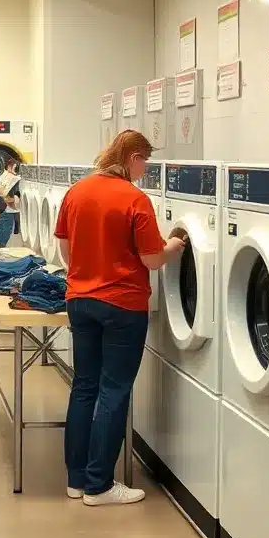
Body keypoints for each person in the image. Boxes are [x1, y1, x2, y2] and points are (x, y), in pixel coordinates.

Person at [53, 129, 185, 506]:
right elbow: (151, 259)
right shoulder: (135, 199)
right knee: (113, 391)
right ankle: (99, 486)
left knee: (84, 387)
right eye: (145, 162)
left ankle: (76, 480)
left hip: (80, 301)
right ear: (132, 159)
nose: (145, 170)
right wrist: (172, 247)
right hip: (123, 306)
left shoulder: (76, 192)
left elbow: (65, 248)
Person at [0, 155, 21, 247]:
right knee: (4, 232)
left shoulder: (5, 176)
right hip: (5, 209)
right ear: (9, 166)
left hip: (1, 207)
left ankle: (1, 249)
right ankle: (0, 251)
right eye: (15, 167)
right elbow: (5, 197)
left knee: (5, 231)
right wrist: (15, 201)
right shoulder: (8, 178)